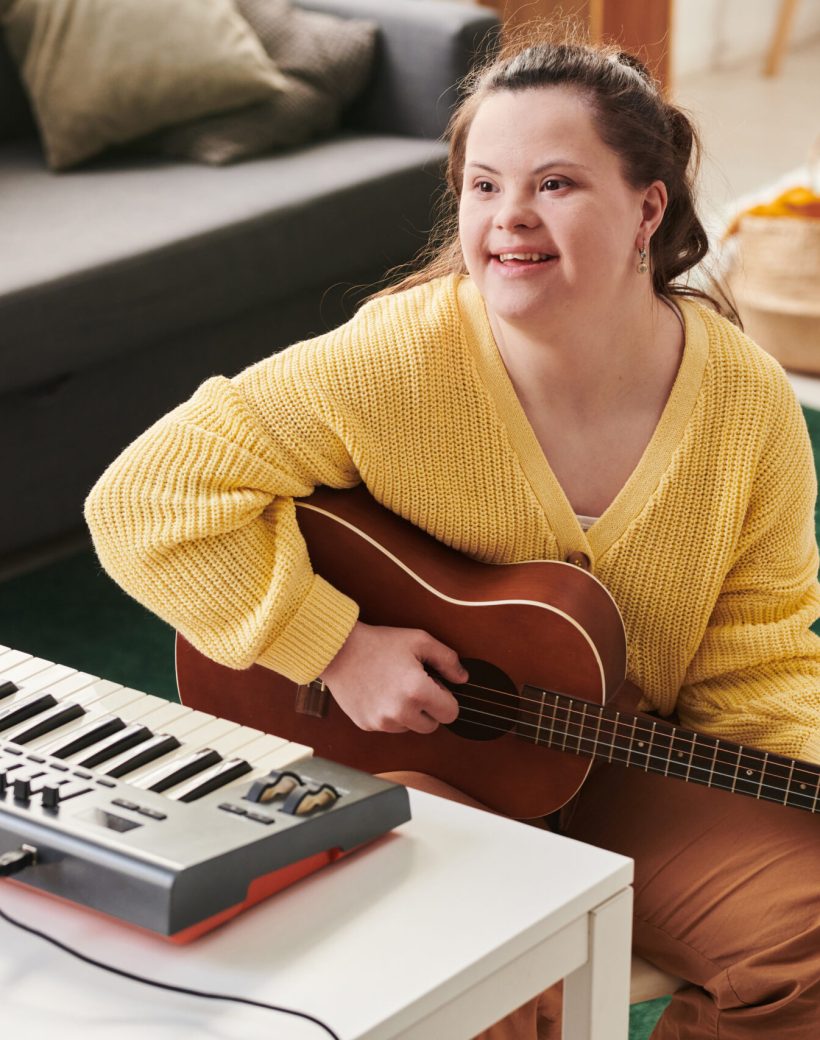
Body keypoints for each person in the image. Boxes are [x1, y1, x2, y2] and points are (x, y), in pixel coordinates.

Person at [85, 29, 820, 1040]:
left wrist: (788, 785)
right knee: (494, 975)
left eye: (554, 183)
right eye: (483, 185)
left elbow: (760, 646)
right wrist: (333, 644)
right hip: (403, 760)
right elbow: (142, 499)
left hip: (624, 760)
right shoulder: (395, 359)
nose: (508, 218)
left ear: (648, 207)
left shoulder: (744, 401)